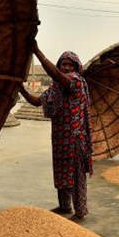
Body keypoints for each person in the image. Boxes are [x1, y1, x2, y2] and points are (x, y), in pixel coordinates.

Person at [20, 43, 93, 222]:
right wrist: (20, 88)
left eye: (71, 64)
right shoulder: (55, 88)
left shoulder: (76, 81)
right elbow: (37, 101)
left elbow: (56, 75)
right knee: (61, 171)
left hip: (75, 138)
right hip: (60, 139)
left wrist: (36, 51)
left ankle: (80, 211)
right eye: (64, 64)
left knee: (76, 175)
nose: (67, 67)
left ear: (76, 68)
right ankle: (64, 206)